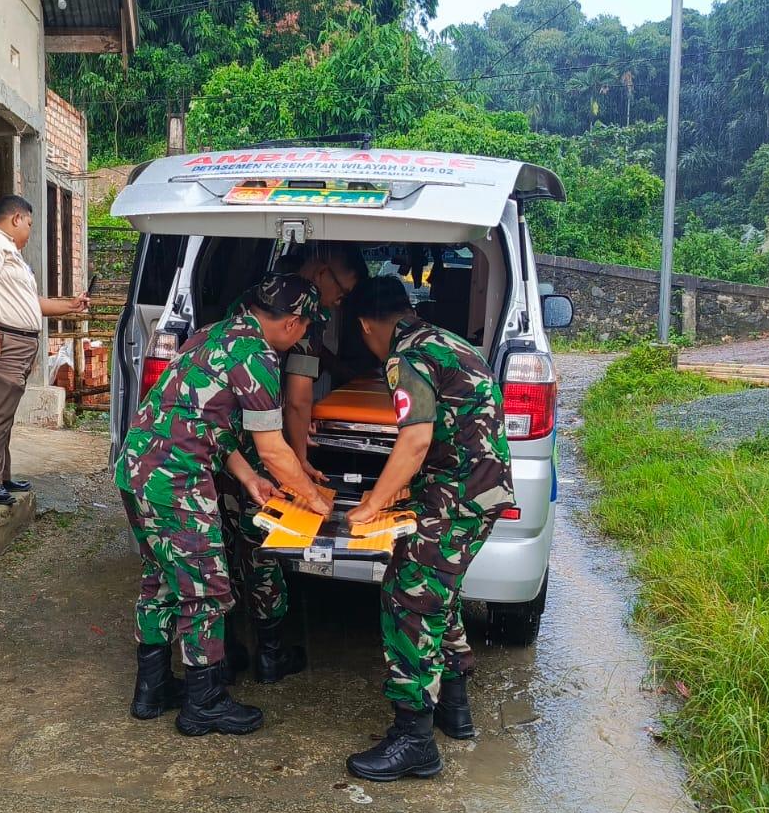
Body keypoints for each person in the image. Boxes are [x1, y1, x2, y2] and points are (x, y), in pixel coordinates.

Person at [116, 274, 333, 736]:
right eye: (306, 328)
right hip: (176, 482)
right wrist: (314, 500)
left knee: (159, 581)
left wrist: (248, 477)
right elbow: (273, 447)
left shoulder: (213, 333)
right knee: (208, 594)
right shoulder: (257, 358)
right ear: (294, 322)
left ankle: (151, 690)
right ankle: (205, 702)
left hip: (137, 470)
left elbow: (207, 421)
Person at [341, 276, 515, 781]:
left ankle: (414, 739)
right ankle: (454, 708)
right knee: (441, 592)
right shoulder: (445, 340)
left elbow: (415, 440)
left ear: (368, 324)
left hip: (457, 493)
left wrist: (373, 503)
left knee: (408, 595)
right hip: (476, 487)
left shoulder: (406, 357)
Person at [220, 243, 367, 685]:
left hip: (213, 445)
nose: (339, 301)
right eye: (341, 291)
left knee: (217, 549)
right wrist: (300, 466)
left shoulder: (254, 299)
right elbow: (300, 400)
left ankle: (225, 649)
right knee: (262, 542)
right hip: (253, 447)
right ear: (323, 272)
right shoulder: (301, 319)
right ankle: (271, 653)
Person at [0, 195, 88, 506]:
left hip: (12, 343)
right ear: (16, 218)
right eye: (29, 224)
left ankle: (1, 475)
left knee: (3, 414)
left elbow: (31, 303)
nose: (29, 232)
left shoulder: (8, 252)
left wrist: (69, 305)